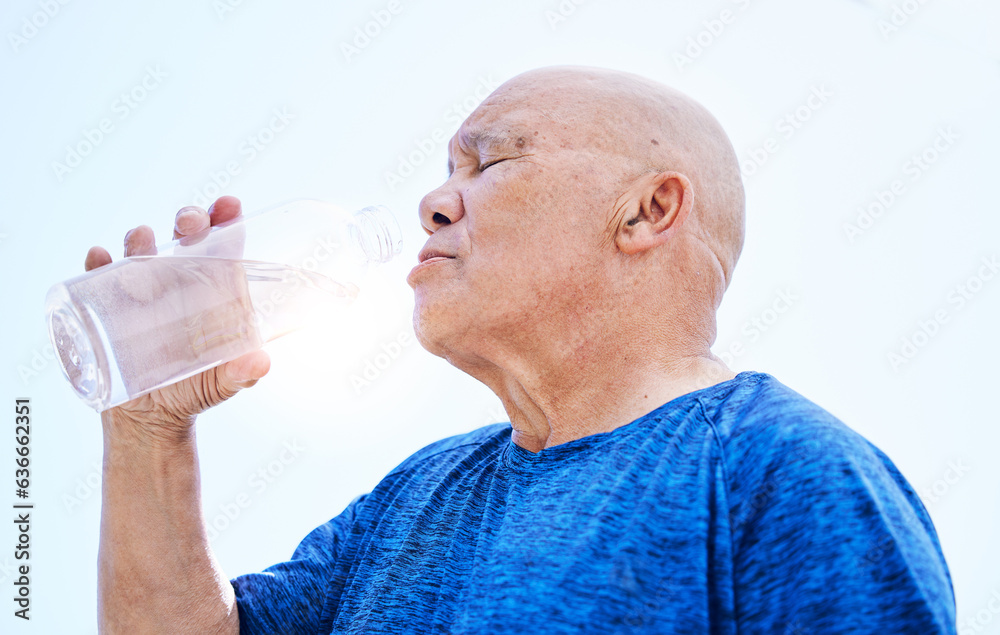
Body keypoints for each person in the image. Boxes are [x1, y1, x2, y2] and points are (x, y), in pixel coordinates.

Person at [87, 66, 956, 634]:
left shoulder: (780, 470)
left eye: (489, 162)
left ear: (648, 212)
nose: (434, 200)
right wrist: (146, 425)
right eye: (446, 169)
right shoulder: (415, 498)